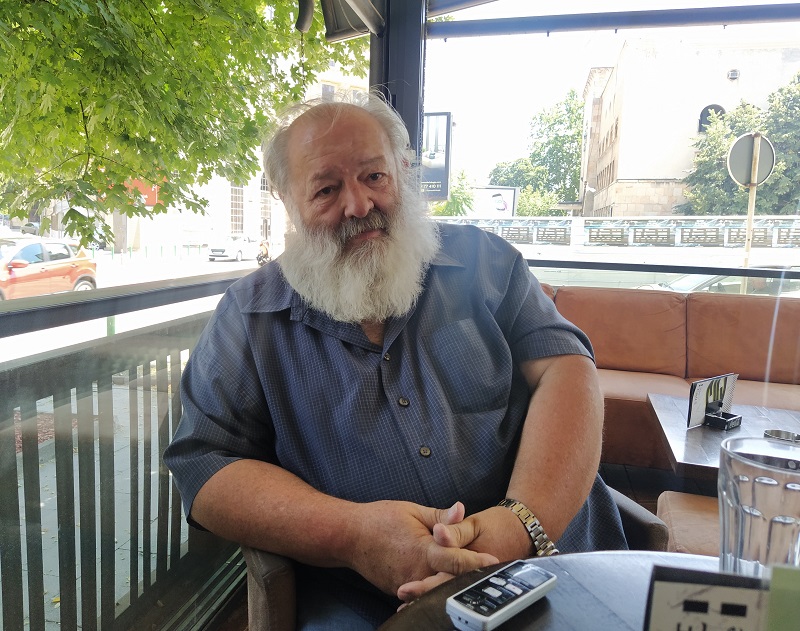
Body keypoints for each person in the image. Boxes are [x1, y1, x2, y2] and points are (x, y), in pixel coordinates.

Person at [164, 92, 627, 629]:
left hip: (555, 563)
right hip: (367, 599)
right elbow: (204, 463)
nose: (359, 205)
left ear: (402, 173)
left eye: (374, 176)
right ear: (289, 202)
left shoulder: (486, 262)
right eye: (326, 189)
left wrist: (521, 524)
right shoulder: (249, 317)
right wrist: (352, 534)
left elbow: (567, 367)